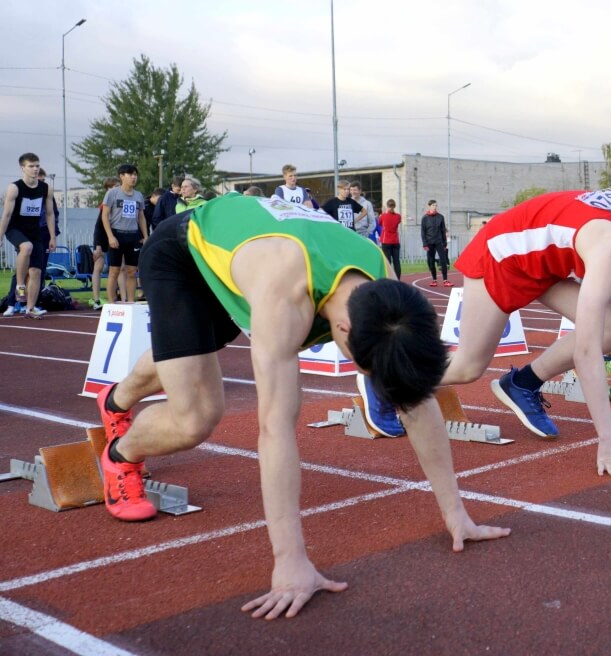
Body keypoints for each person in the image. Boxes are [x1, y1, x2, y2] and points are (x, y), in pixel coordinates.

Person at [95, 192, 508, 619]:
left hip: (250, 251)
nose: (374, 382)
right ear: (343, 328)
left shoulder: (382, 281)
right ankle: (118, 455)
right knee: (196, 417)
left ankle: (116, 398)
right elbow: (275, 429)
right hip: (183, 253)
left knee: (186, 355)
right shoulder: (284, 301)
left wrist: (456, 513)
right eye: (368, 370)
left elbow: (415, 401)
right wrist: (290, 563)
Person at [435, 189, 611, 477]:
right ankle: (387, 379)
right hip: (501, 256)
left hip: (544, 267)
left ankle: (522, 384)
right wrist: (608, 443)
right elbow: (585, 354)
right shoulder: (608, 252)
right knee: (467, 368)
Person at [0, 152, 55, 318]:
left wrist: (52, 236)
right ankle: (20, 285)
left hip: (34, 231)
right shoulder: (14, 187)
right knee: (26, 247)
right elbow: (7, 215)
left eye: (37, 166)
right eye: (31, 166)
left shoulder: (46, 188)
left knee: (37, 272)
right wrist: (0, 236)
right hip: (15, 229)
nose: (35, 169)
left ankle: (30, 308)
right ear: (22, 168)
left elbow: (50, 214)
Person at [101, 164, 148, 305]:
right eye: (130, 174)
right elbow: (105, 216)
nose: (133, 177)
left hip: (132, 236)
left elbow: (141, 217)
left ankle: (131, 302)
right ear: (122, 176)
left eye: (135, 174)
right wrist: (110, 236)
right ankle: (111, 302)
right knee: (114, 271)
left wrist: (146, 236)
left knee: (132, 271)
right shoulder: (112, 193)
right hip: (117, 234)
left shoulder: (138, 195)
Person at [90, 177, 119, 309]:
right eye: (112, 187)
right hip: (103, 239)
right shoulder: (105, 205)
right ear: (108, 189)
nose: (115, 189)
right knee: (98, 267)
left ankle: (117, 297)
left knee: (118, 268)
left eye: (117, 186)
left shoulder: (123, 201)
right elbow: (98, 227)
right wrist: (98, 245)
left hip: (117, 237)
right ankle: (96, 299)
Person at [421, 199, 450, 287]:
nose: (435, 207)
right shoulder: (425, 218)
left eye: (436, 205)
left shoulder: (440, 217)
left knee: (443, 260)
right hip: (429, 242)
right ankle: (434, 280)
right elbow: (423, 232)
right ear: (429, 206)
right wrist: (424, 243)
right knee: (431, 261)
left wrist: (445, 242)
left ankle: (445, 280)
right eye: (433, 205)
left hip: (439, 242)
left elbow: (443, 230)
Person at [379, 198, 402, 277]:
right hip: (395, 241)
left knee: (388, 262)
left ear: (387, 206)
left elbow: (380, 223)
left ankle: (389, 277)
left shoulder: (383, 216)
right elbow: (398, 221)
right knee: (396, 261)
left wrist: (384, 212)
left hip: (386, 241)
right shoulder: (398, 216)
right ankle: (398, 278)